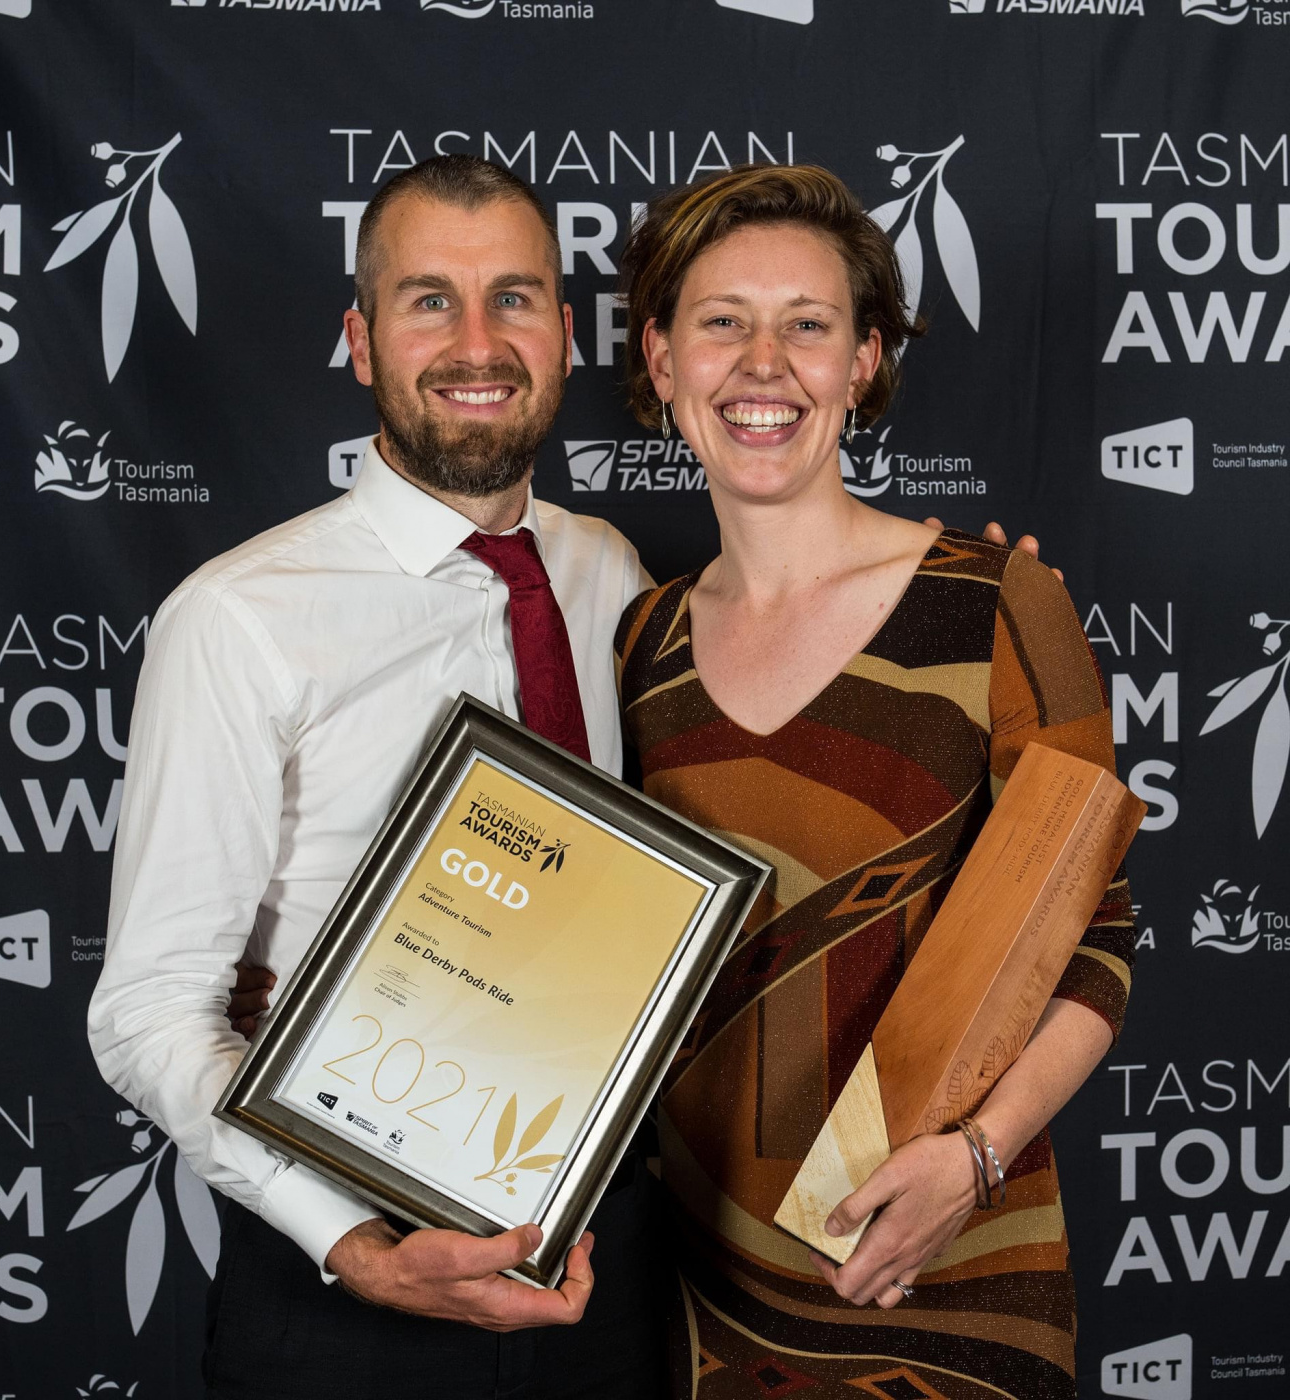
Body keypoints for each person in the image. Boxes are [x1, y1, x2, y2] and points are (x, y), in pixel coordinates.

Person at [90, 151, 1048, 1398]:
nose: (476, 341)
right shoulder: (237, 617)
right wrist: (353, 1240)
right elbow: (148, 1005)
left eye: (515, 298)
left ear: (566, 330)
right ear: (361, 341)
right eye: (428, 298)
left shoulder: (614, 580)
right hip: (351, 1296)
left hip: (619, 1272)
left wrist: (985, 604)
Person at [613, 164, 1134, 1400]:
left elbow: (1099, 941)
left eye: (807, 324)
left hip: (942, 1282)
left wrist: (976, 1157)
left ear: (860, 364)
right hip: (701, 1300)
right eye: (719, 321)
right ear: (661, 358)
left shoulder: (1002, 601)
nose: (761, 362)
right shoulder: (637, 642)